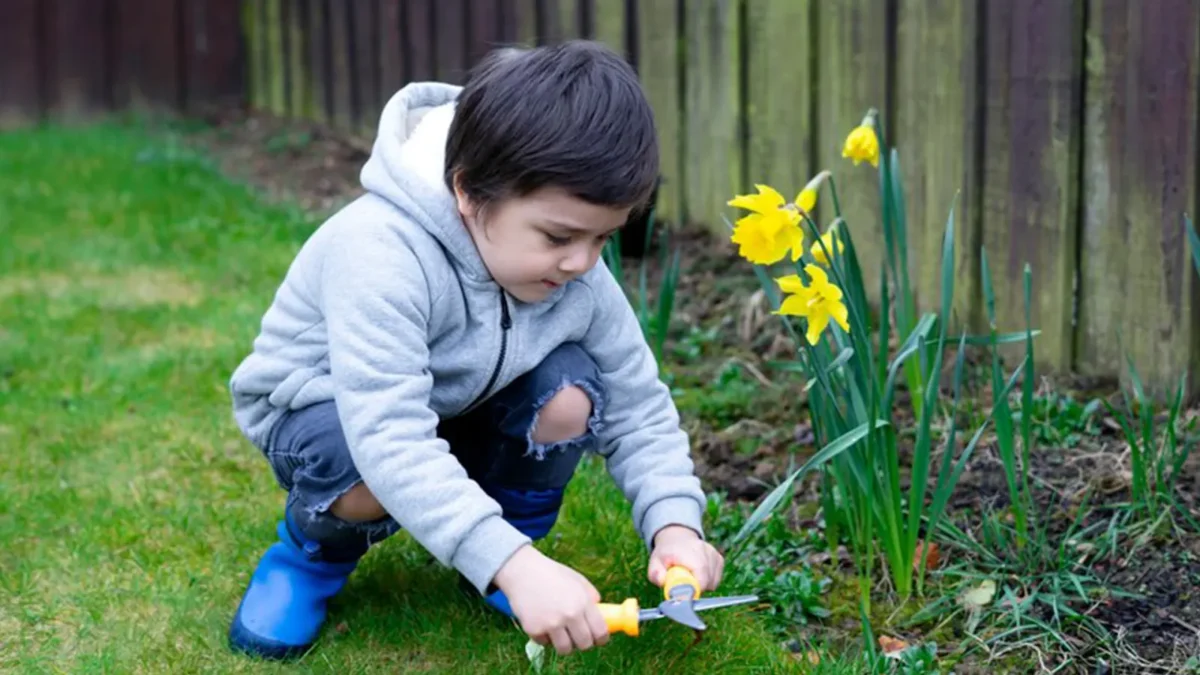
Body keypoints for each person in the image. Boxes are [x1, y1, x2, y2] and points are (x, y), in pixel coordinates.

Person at [224, 40, 724, 661]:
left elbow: (636, 402)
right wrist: (515, 568)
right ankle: (310, 561)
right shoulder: (380, 252)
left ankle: (498, 551)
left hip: (454, 402)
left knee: (571, 391)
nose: (583, 262)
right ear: (467, 192)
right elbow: (390, 438)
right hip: (331, 417)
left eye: (604, 238)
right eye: (560, 235)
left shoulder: (574, 271)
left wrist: (674, 521)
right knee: (362, 472)